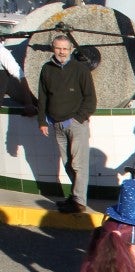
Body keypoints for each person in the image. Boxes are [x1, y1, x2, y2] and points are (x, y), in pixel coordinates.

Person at [37, 34, 96, 214]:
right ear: (52, 49)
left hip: (75, 123)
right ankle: (75, 197)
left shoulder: (80, 69)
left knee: (79, 164)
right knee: (68, 163)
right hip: (56, 124)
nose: (62, 52)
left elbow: (90, 98)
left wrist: (78, 118)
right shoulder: (47, 69)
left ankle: (79, 202)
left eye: (65, 48)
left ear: (70, 50)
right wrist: (42, 121)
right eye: (58, 48)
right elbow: (43, 96)